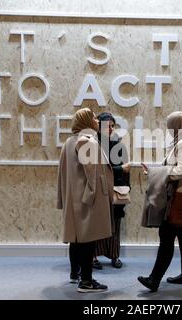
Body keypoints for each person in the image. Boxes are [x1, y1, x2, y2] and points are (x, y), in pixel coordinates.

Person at [138, 111, 182, 292]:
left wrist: (157, 174)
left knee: (166, 238)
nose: (169, 131)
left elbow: (181, 171)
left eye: (170, 127)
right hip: (181, 197)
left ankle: (154, 279)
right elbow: (175, 168)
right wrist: (154, 171)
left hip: (176, 199)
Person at [57, 108, 114, 293]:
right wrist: (91, 197)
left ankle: (76, 275)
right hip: (88, 199)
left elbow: (63, 175)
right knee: (88, 239)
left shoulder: (69, 141)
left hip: (76, 198)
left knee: (77, 238)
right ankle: (87, 281)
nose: (97, 120)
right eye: (94, 118)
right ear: (86, 121)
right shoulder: (86, 140)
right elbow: (92, 173)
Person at [92, 112, 131, 270]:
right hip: (99, 191)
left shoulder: (119, 145)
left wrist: (127, 189)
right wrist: (120, 168)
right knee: (97, 225)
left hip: (116, 189)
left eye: (112, 126)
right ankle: (93, 256)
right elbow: (98, 170)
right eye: (107, 126)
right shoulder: (93, 144)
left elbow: (126, 170)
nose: (110, 129)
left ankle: (114, 256)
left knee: (115, 224)